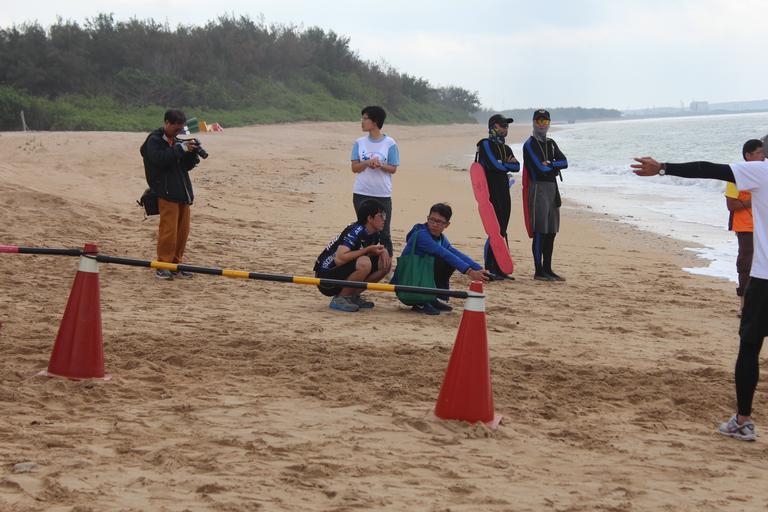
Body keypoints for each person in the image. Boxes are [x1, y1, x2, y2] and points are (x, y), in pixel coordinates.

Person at [632, 154, 768, 442]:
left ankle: (743, 421)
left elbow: (709, 169)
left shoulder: (761, 171)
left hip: (764, 279)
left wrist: (664, 167)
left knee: (750, 347)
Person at [140, 109, 202, 280]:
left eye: (181, 129)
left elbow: (186, 167)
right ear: (167, 123)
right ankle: (163, 266)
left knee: (182, 232)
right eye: (176, 128)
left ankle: (175, 265)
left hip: (182, 192)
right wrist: (180, 149)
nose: (178, 132)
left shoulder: (176, 141)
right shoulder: (154, 140)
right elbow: (159, 159)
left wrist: (191, 154)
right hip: (166, 192)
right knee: (169, 231)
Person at [398, 203, 491, 315]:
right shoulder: (422, 235)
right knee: (443, 258)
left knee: (450, 261)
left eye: (439, 222)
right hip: (408, 280)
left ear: (447, 224)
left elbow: (455, 253)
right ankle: (420, 302)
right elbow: (444, 253)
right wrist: (470, 272)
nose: (434, 224)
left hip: (420, 276)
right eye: (431, 220)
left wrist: (479, 269)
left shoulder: (441, 238)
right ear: (427, 218)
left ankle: (432, 298)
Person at [314, 199, 392, 312]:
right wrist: (368, 250)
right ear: (369, 218)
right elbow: (340, 258)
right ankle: (341, 299)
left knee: (385, 264)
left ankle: (352, 296)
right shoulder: (356, 230)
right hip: (325, 279)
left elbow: (369, 251)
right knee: (364, 262)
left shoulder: (375, 233)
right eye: (381, 216)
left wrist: (383, 251)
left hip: (340, 273)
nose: (384, 219)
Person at [522, 109, 569, 282]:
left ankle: (548, 269)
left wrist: (550, 164)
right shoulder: (529, 144)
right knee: (540, 231)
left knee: (551, 231)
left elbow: (565, 162)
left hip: (552, 188)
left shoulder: (551, 143)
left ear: (549, 123)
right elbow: (539, 168)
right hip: (538, 189)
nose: (542, 125)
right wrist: (553, 166)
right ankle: (539, 270)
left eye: (545, 121)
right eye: (539, 121)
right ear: (534, 123)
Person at [351, 106, 400, 256]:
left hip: (382, 194)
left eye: (365, 118)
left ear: (375, 121)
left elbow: (393, 168)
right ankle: (365, 262)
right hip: (361, 193)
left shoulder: (390, 143)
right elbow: (354, 168)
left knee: (384, 232)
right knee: (364, 230)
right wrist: (367, 163)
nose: (362, 121)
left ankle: (386, 264)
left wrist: (380, 165)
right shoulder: (359, 142)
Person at [475, 114, 520, 277]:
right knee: (494, 230)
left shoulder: (506, 148)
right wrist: (505, 164)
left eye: (507, 126)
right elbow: (494, 165)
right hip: (490, 193)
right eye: (503, 125)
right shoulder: (485, 144)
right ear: (493, 126)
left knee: (503, 229)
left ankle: (501, 267)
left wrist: (502, 164)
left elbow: (517, 167)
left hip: (504, 191)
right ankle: (490, 267)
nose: (506, 128)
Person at [725, 139, 764, 309]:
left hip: (763, 224)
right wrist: (755, 199)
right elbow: (731, 205)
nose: (762, 156)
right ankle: (744, 303)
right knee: (746, 264)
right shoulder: (737, 175)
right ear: (748, 155)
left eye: (763, 152)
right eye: (759, 153)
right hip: (745, 226)